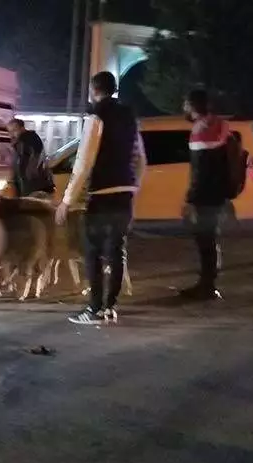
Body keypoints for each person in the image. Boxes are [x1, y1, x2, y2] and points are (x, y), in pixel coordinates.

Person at [57, 71, 146, 325]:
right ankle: (110, 308)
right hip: (124, 195)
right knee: (117, 251)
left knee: (93, 252)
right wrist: (133, 185)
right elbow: (140, 157)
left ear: (93, 90)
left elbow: (84, 162)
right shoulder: (130, 117)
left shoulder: (96, 117)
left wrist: (67, 200)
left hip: (102, 195)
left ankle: (94, 309)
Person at [180, 89, 232, 301]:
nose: (183, 107)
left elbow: (199, 173)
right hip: (217, 195)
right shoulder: (219, 126)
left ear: (193, 106)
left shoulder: (201, 132)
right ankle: (209, 283)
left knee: (205, 241)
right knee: (211, 239)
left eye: (185, 103)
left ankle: (207, 286)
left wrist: (190, 200)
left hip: (204, 197)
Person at [8, 119, 53, 197]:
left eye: (14, 130)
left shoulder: (31, 140)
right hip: (25, 184)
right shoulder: (20, 142)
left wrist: (28, 177)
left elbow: (34, 160)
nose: (12, 134)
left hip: (32, 184)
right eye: (10, 131)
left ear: (22, 128)